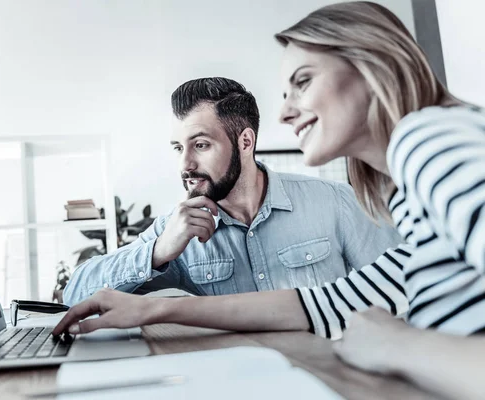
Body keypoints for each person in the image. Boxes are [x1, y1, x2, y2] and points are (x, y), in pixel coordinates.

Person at [54, 2, 485, 398]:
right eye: (177, 147)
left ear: (374, 68)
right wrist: (153, 288)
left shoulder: (425, 141)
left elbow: (384, 323)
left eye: (303, 81)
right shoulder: (411, 200)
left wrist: (399, 346)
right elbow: (327, 302)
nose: (284, 112)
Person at [63, 77, 400, 305]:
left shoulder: (334, 201)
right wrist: (158, 251)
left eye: (201, 144)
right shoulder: (176, 231)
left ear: (245, 142)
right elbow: (76, 294)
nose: (186, 164)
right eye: (178, 147)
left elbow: (403, 285)